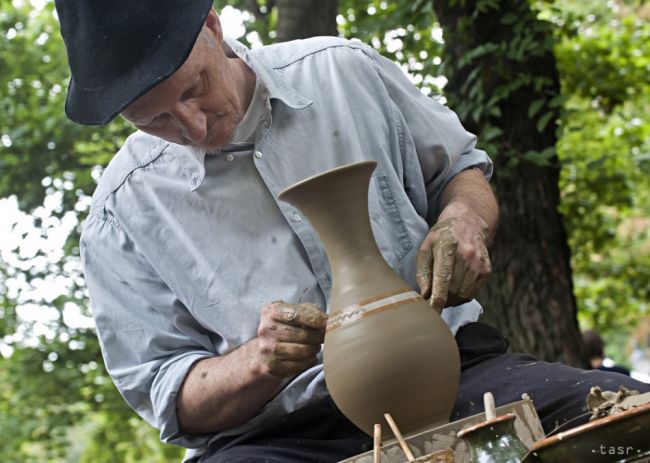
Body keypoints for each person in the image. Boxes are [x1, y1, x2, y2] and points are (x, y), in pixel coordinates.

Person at [54, 1, 650, 462]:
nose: (191, 123)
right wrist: (259, 362)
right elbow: (167, 393)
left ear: (213, 27)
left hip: (458, 377)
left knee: (625, 421)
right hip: (283, 436)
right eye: (156, 120)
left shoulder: (343, 73)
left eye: (193, 89)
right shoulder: (121, 213)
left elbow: (460, 170)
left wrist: (462, 221)